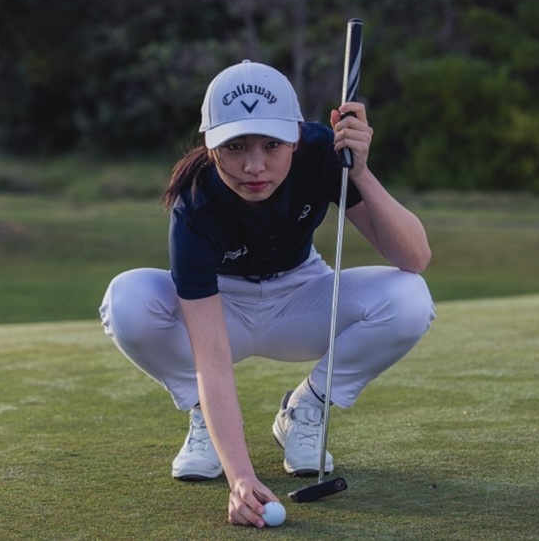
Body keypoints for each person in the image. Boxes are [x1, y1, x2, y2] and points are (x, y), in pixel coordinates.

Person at [99, 60, 435, 528]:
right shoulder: (195, 205)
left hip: (303, 295)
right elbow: (212, 357)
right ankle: (202, 416)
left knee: (410, 297)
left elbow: (415, 257)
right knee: (127, 297)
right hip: (223, 307)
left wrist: (359, 172)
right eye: (235, 146)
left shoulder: (323, 152)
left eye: (271, 145)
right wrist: (241, 478)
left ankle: (306, 408)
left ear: (296, 138)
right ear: (210, 146)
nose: (254, 166)